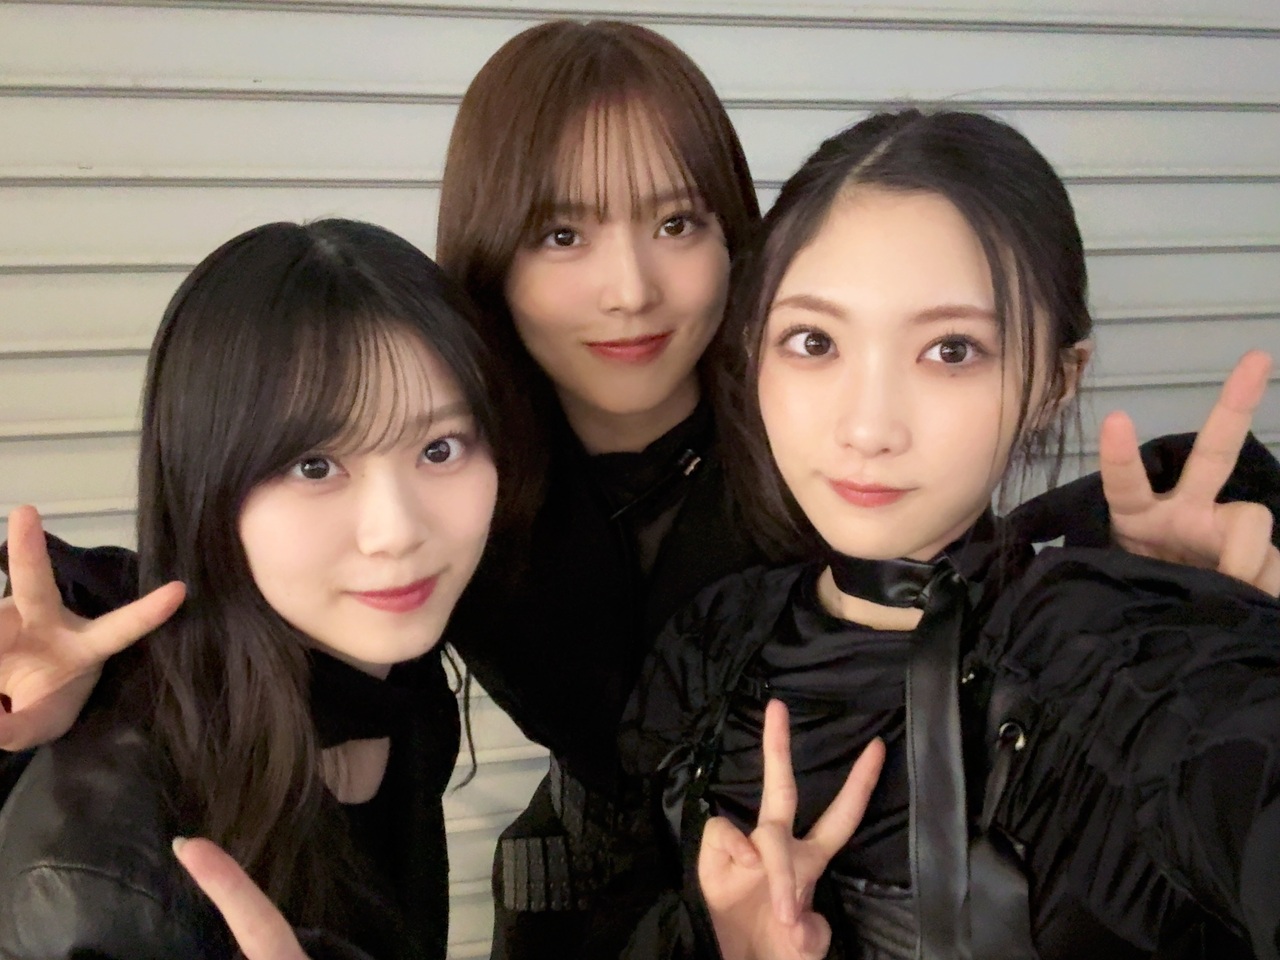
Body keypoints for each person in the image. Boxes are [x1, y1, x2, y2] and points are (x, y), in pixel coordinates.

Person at [0, 21, 1277, 960]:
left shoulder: (816, 430)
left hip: (827, 868)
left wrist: (1160, 589)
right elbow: (258, 568)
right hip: (593, 875)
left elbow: (960, 581)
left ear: (738, 247)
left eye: (676, 223)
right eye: (562, 234)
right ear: (490, 256)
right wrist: (61, 664)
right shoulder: (452, 456)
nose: (628, 290)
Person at [619, 108, 1280, 960]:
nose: (868, 428)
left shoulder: (1126, 666)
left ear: (1054, 382)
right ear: (755, 350)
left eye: (952, 351)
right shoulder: (709, 646)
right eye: (813, 341)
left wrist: (1219, 627)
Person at [0, 219, 528, 960]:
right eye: (315, 466)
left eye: (439, 448)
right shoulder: (105, 884)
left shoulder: (388, 679)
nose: (397, 532)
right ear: (207, 487)